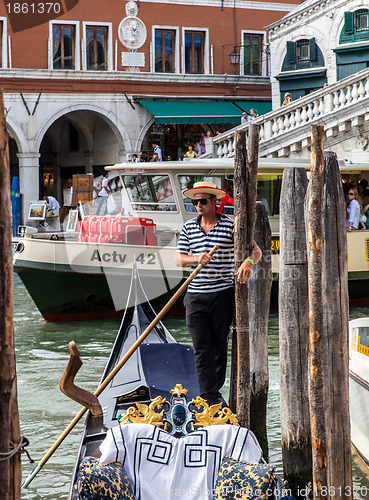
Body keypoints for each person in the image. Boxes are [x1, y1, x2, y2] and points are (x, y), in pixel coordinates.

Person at [175, 181, 262, 406]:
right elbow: (178, 259)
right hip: (195, 295)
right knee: (201, 347)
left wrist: (248, 262)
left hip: (222, 294)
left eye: (203, 201)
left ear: (215, 202)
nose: (199, 205)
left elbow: (256, 250)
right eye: (195, 202)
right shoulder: (188, 227)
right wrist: (197, 258)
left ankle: (213, 393)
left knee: (219, 346)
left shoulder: (231, 226)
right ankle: (208, 397)